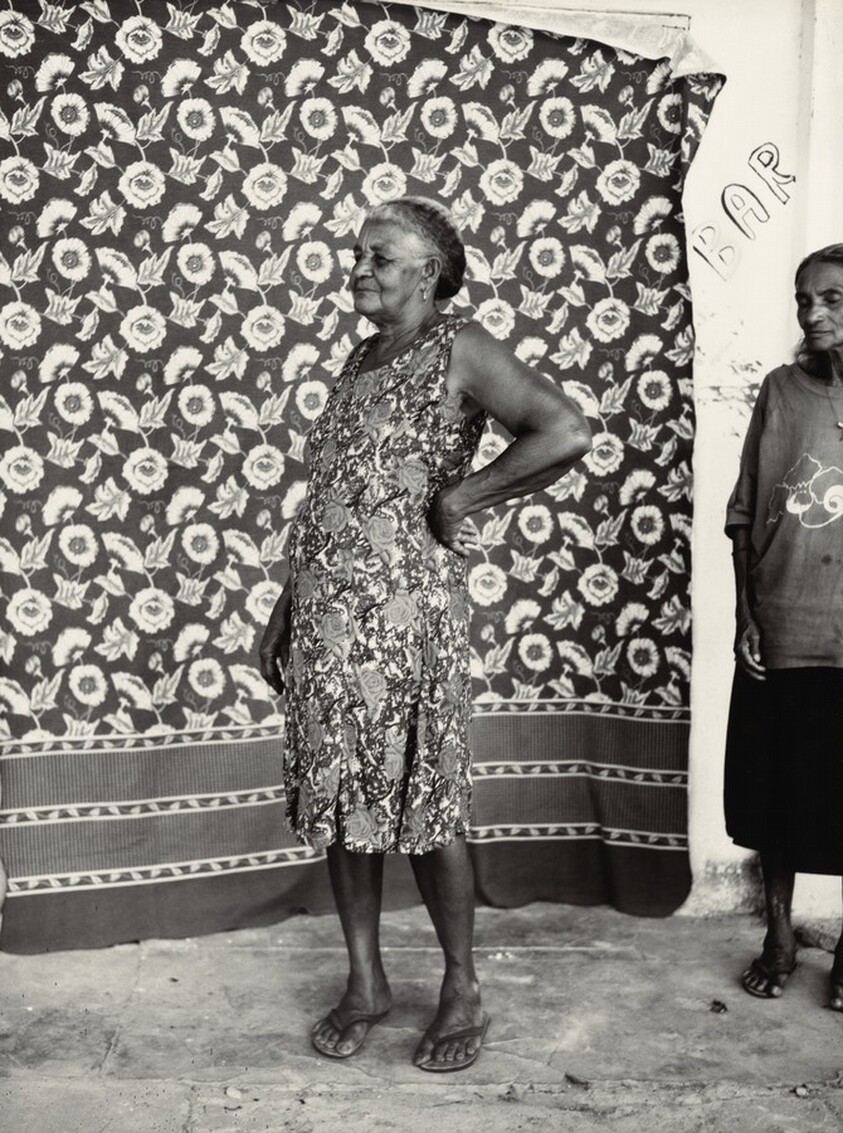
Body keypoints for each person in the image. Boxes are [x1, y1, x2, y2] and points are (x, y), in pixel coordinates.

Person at [259, 196, 591, 1070]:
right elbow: (335, 494)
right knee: (343, 795)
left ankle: (461, 987)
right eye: (356, 253)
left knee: (425, 797)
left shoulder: (460, 346)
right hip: (327, 620)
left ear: (430, 272)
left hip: (407, 618)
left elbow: (565, 430)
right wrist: (287, 604)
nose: (358, 268)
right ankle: (365, 980)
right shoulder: (361, 357)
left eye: (379, 255)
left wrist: (460, 497)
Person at [724, 242, 843, 1007]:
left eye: (830, 298)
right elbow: (743, 510)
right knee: (775, 790)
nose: (811, 313)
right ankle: (777, 934)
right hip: (783, 621)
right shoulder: (779, 390)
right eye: (803, 299)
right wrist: (745, 612)